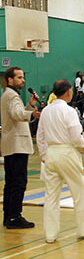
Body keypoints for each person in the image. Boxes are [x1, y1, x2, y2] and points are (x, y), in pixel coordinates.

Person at [37, 79, 84, 243]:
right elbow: (75, 134)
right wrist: (83, 145)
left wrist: (44, 155)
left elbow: (40, 136)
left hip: (51, 153)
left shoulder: (45, 111)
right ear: (68, 92)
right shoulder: (69, 111)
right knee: (79, 192)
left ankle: (50, 234)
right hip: (66, 152)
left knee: (51, 196)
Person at [1, 67, 40, 228]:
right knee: (18, 182)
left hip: (11, 143)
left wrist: (29, 106)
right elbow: (18, 114)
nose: (23, 80)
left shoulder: (8, 95)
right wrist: (32, 114)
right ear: (10, 79)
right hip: (17, 145)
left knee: (10, 182)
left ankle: (8, 215)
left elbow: (16, 114)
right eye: (19, 77)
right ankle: (15, 216)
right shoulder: (11, 95)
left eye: (23, 77)